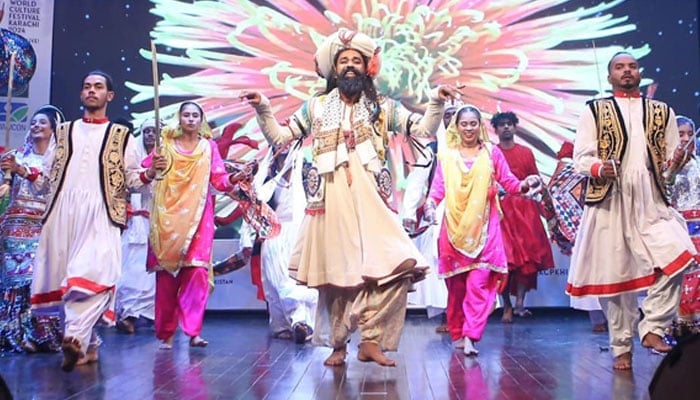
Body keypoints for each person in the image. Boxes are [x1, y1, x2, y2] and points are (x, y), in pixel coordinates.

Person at [241, 28, 461, 367]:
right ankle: (339, 345)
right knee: (336, 279)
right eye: (343, 61)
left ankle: (371, 339)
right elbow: (281, 138)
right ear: (334, 70)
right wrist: (264, 109)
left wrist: (437, 101)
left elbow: (422, 131)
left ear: (367, 68)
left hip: (373, 202)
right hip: (329, 202)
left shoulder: (383, 107)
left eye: (356, 61)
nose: (349, 66)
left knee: (398, 267)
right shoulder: (316, 106)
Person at [566, 52, 696, 371]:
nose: (627, 71)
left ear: (640, 73)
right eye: (620, 67)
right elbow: (580, 157)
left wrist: (677, 161)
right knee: (617, 279)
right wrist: (599, 167)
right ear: (610, 76)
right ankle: (620, 346)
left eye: (632, 67)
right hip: (611, 201)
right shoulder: (595, 110)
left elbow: (667, 167)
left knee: (679, 256)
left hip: (650, 200)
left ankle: (652, 326)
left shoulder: (661, 110)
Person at [26, 71, 147, 372]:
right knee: (69, 282)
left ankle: (74, 336)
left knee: (89, 275)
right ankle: (88, 345)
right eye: (87, 87)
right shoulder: (64, 132)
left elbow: (133, 181)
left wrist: (151, 172)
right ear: (81, 94)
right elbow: (45, 180)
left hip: (102, 213)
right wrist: (22, 170)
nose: (92, 91)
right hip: (62, 214)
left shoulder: (122, 136)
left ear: (110, 96)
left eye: (99, 87)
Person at [423, 105, 541, 356]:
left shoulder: (491, 152)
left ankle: (471, 336)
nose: (468, 128)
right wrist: (431, 206)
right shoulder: (447, 155)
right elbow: (437, 189)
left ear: (480, 126)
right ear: (457, 126)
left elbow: (509, 182)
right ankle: (457, 330)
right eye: (463, 124)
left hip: (486, 230)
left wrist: (524, 185)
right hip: (453, 231)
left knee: (479, 285)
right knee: (456, 290)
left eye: (473, 123)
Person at [145, 101, 245, 350]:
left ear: (201, 120)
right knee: (167, 279)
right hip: (167, 218)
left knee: (197, 275)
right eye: (186, 115)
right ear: (179, 119)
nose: (190, 119)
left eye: (194, 116)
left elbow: (219, 178)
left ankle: (193, 331)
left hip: (199, 218)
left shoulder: (208, 147)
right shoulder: (165, 145)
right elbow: (145, 170)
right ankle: (166, 333)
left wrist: (233, 179)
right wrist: (152, 167)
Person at [0, 106, 65, 353]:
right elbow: (6, 183)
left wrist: (22, 171)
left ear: (53, 130)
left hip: (43, 225)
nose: (36, 126)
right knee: (15, 280)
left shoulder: (57, 161)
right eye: (33, 123)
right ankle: (14, 333)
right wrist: (6, 174)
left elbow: (47, 185)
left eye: (42, 123)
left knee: (36, 278)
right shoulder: (17, 155)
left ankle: (40, 333)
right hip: (15, 224)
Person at [247, 144, 318, 343]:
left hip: (300, 231)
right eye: (280, 142)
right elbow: (258, 200)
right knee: (275, 280)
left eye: (288, 141)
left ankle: (301, 322)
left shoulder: (306, 170)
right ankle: (284, 325)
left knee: (295, 281)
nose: (284, 146)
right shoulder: (266, 174)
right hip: (275, 234)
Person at [492, 111, 554, 322]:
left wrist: (546, 212)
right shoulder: (491, 153)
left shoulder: (526, 152)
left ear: (515, 127)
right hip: (501, 211)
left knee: (527, 260)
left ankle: (519, 303)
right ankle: (506, 306)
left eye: (509, 124)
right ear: (496, 129)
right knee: (505, 260)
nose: (506, 128)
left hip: (525, 211)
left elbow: (535, 179)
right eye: (502, 125)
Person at [545, 141, 607, 332]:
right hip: (585, 223)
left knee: (612, 267)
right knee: (590, 268)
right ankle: (598, 318)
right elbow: (557, 190)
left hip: (609, 216)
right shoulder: (571, 154)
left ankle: (613, 318)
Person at [115, 118, 159, 334]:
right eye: (147, 131)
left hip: (157, 221)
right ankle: (128, 315)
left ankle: (148, 314)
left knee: (151, 273)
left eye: (154, 131)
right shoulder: (133, 161)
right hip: (133, 223)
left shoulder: (165, 160)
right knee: (130, 268)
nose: (150, 135)